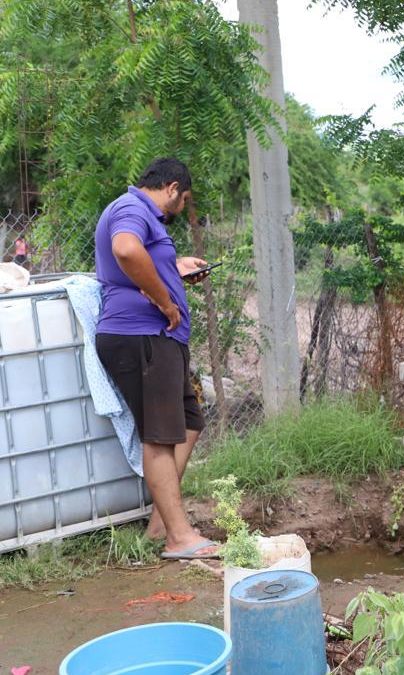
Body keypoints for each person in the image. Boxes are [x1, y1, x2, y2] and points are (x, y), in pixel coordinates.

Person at [94, 157, 218, 560]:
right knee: (160, 435)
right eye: (183, 200)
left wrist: (173, 269)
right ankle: (179, 539)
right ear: (171, 188)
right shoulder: (132, 208)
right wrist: (166, 302)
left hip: (156, 339)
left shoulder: (138, 214)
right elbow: (126, 250)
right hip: (141, 334)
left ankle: (160, 525)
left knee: (188, 423)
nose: (180, 209)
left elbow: (136, 258)